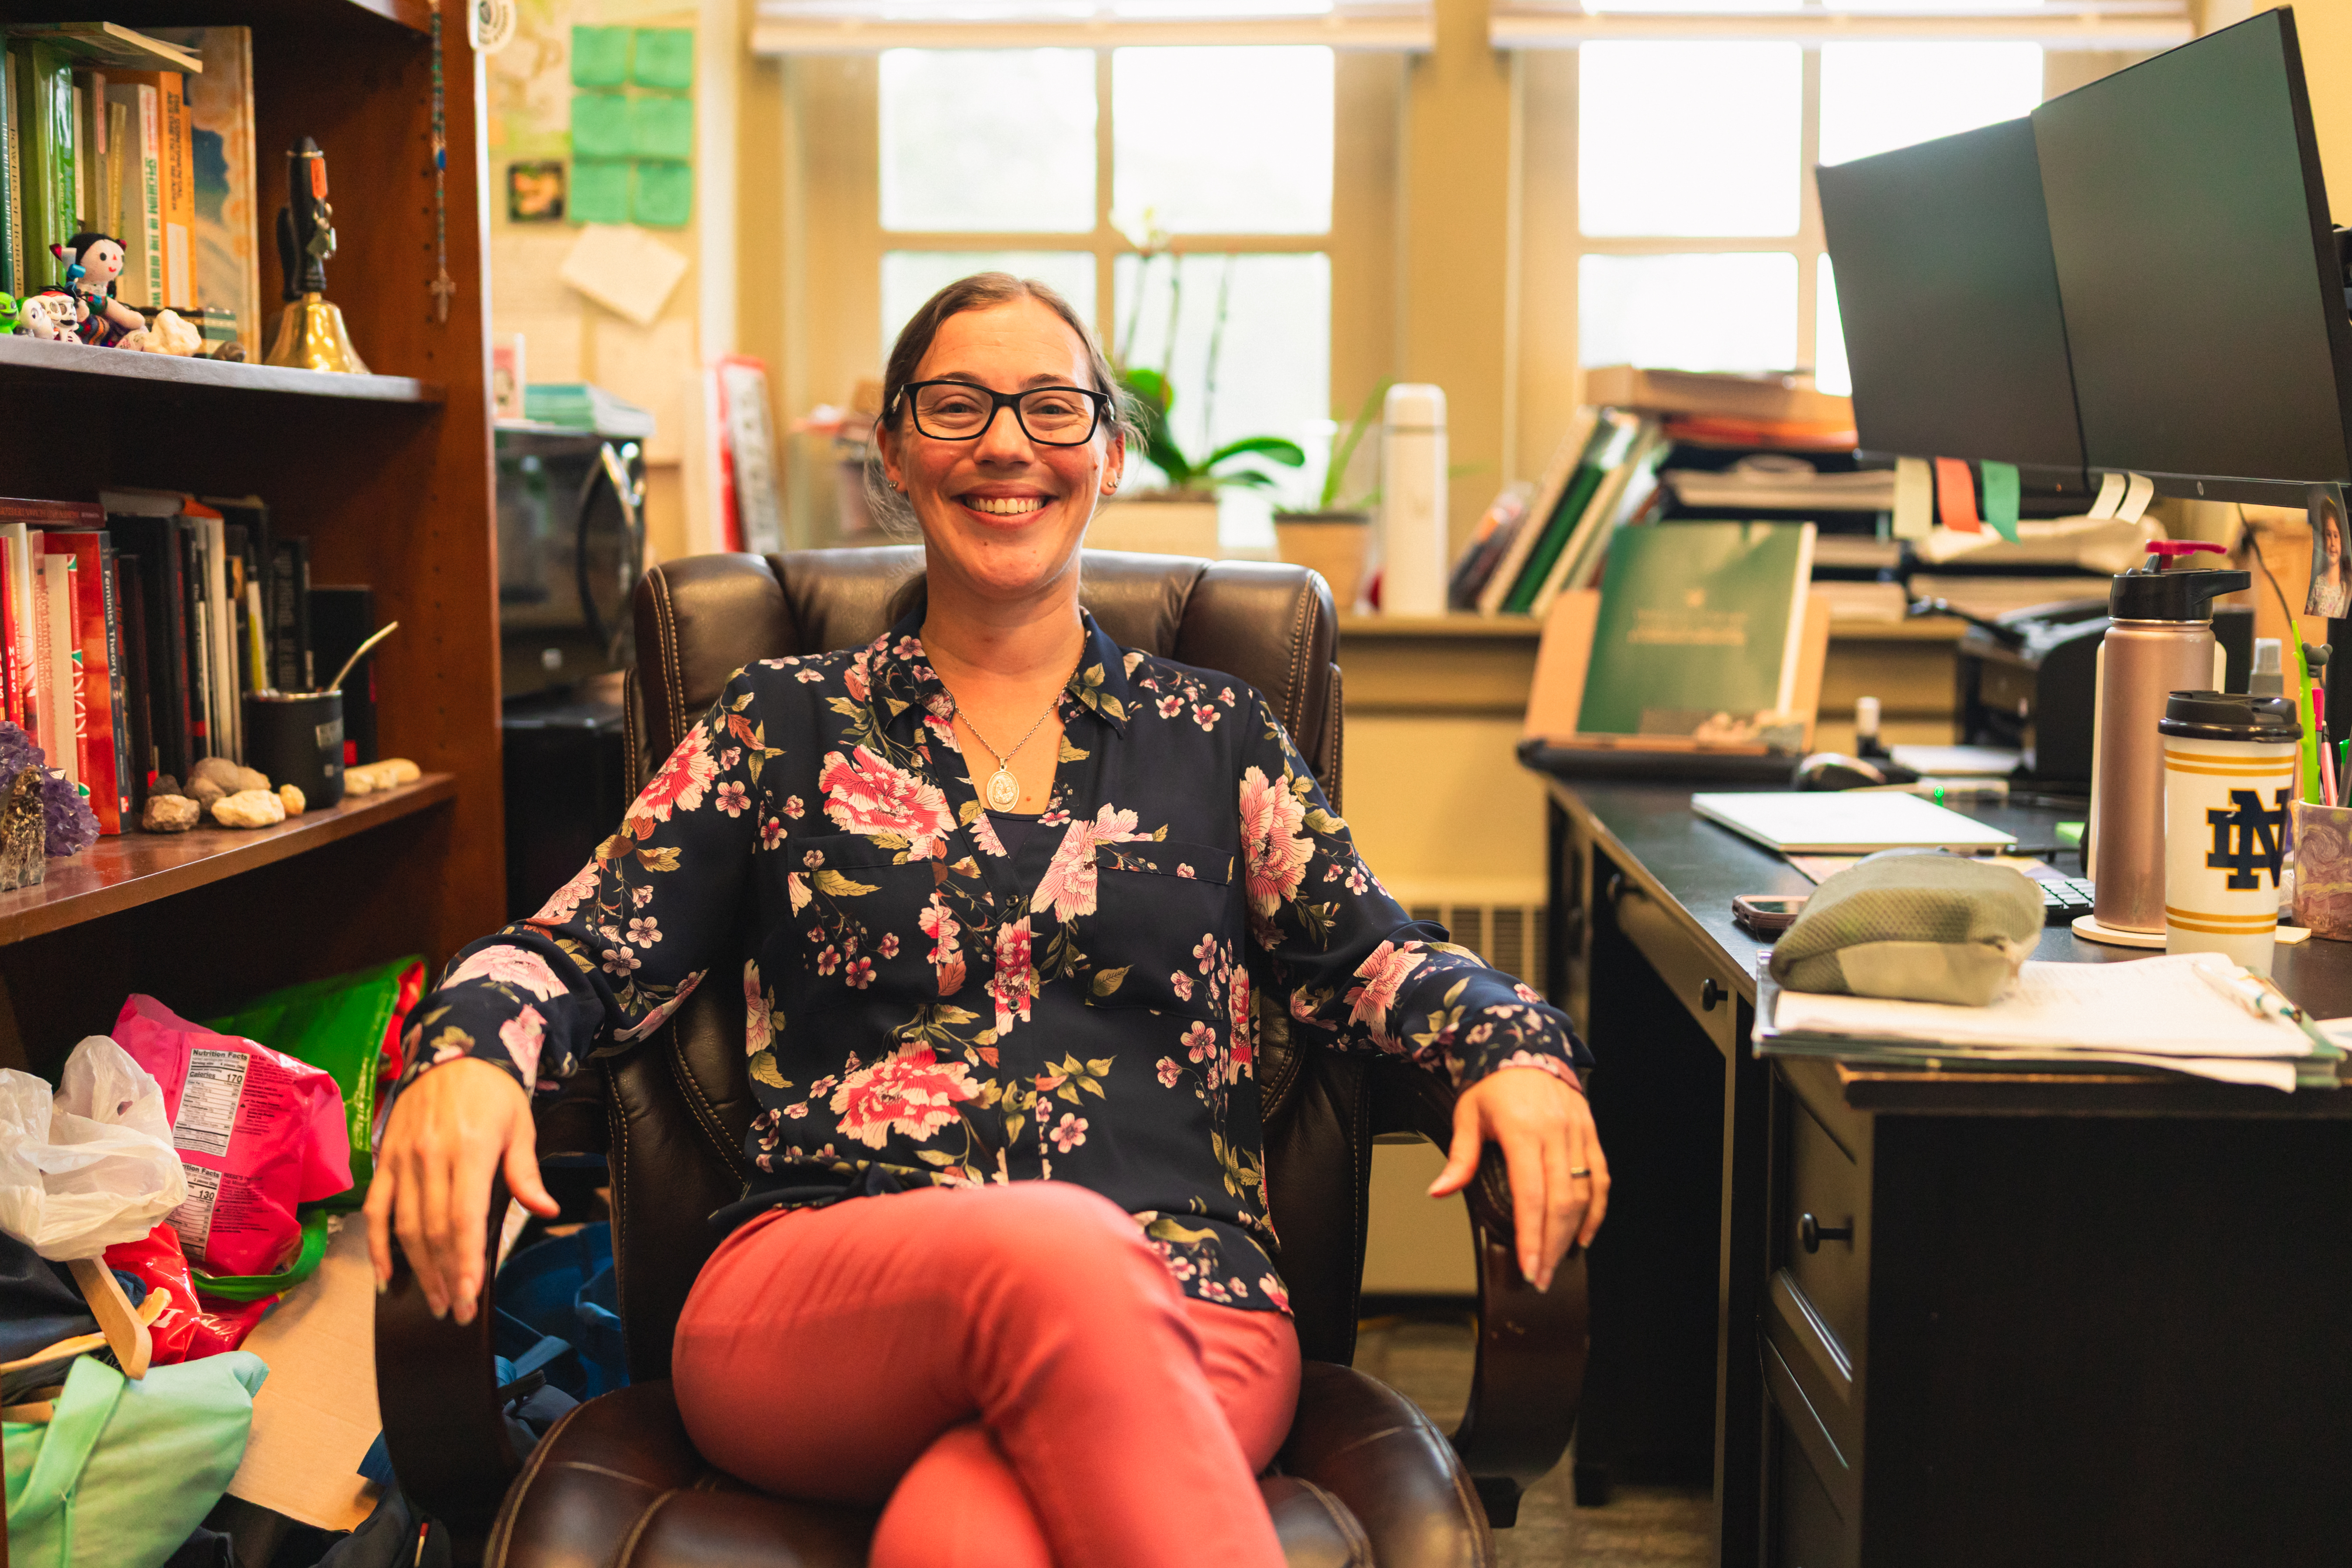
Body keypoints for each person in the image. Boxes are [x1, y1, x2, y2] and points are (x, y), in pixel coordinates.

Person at [366, 272, 1610, 1567]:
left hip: (1192, 1304)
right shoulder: (776, 723)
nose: (1006, 444)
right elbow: (576, 946)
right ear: (894, 455)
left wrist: (1514, 1052)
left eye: (1052, 408)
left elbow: (1378, 958)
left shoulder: (1218, 738)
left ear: (1108, 455)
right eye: (957, 406)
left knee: (972, 1532)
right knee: (1056, 1247)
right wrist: (463, 1057)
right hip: (821, 1298)